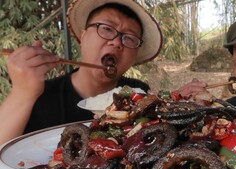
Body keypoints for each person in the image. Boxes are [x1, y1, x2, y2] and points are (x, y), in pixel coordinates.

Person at [0, 0, 163, 144]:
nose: (116, 42)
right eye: (106, 28)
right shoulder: (39, 96)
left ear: (134, 57)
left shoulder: (139, 93)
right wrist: (22, 92)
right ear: (83, 37)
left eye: (129, 38)